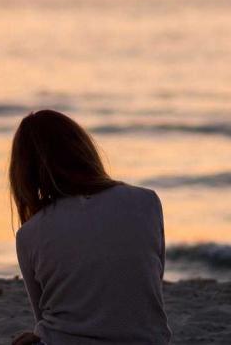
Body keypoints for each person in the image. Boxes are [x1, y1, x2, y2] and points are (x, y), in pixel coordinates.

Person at [9, 110, 171, 345]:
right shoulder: (147, 202)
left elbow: (43, 314)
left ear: (25, 172)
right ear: (84, 149)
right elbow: (148, 284)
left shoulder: (30, 234)